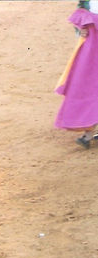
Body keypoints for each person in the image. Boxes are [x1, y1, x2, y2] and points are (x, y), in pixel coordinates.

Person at [54, 1, 98, 148]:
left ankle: (88, 134)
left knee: (89, 85)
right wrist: (81, 28)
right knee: (88, 85)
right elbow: (81, 9)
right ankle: (88, 133)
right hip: (92, 44)